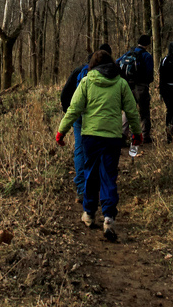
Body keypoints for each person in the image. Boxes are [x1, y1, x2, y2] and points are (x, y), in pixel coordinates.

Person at [56, 50, 141, 241]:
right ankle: (109, 217)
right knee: (109, 175)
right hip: (112, 137)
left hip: (90, 137)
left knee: (91, 173)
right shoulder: (121, 83)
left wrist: (61, 131)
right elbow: (132, 111)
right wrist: (137, 134)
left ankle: (89, 213)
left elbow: (74, 109)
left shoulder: (86, 82)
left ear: (93, 65)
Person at [60, 44, 113, 202]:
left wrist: (69, 113)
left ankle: (82, 188)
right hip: (99, 117)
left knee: (80, 150)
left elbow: (65, 94)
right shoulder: (111, 73)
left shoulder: (79, 71)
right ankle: (97, 187)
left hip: (79, 116)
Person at [117, 34, 154, 144]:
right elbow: (149, 73)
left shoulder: (128, 53)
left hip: (127, 86)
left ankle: (123, 135)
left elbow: (116, 62)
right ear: (147, 44)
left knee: (128, 110)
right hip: (141, 87)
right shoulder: (147, 55)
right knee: (144, 111)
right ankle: (145, 135)